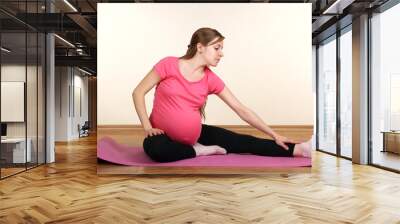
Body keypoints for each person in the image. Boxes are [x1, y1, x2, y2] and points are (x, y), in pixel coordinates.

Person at [132, 27, 312, 163]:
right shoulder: (168, 64)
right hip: (161, 135)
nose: (221, 54)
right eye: (217, 48)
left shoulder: (211, 79)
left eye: (222, 49)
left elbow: (241, 109)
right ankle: (199, 150)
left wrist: (275, 134)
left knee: (243, 142)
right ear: (200, 47)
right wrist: (148, 127)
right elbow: (138, 92)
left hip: (196, 134)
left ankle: (299, 149)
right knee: (156, 150)